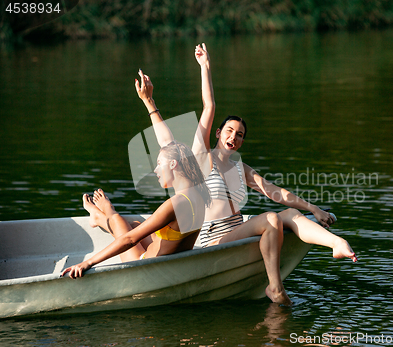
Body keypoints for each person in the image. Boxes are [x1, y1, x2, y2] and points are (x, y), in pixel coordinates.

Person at [148, 44, 357, 305]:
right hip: (213, 238)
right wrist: (205, 67)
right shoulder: (200, 158)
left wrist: (313, 208)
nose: (233, 137)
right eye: (229, 131)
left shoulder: (239, 167)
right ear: (217, 133)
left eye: (239, 135)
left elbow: (275, 192)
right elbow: (208, 105)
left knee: (290, 214)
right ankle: (275, 288)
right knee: (270, 218)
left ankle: (336, 243)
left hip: (236, 231)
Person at [61, 71, 211, 279]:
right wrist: (149, 102)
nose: (156, 170)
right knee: (136, 225)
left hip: (145, 267)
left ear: (174, 164)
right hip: (173, 262)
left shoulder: (174, 205)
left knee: (120, 222)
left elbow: (129, 241)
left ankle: (103, 214)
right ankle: (101, 217)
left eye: (159, 165)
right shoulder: (198, 190)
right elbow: (168, 144)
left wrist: (88, 262)